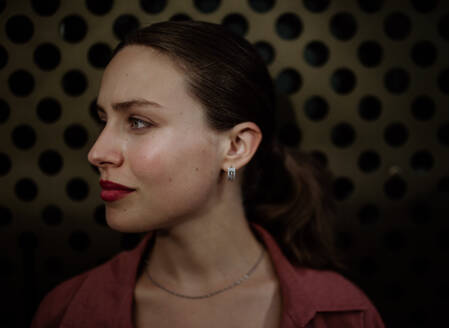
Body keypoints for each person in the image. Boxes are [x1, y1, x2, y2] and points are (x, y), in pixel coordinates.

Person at [30, 20, 384, 327]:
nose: (97, 153)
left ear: (235, 148)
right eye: (104, 121)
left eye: (138, 122)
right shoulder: (64, 313)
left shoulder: (343, 315)